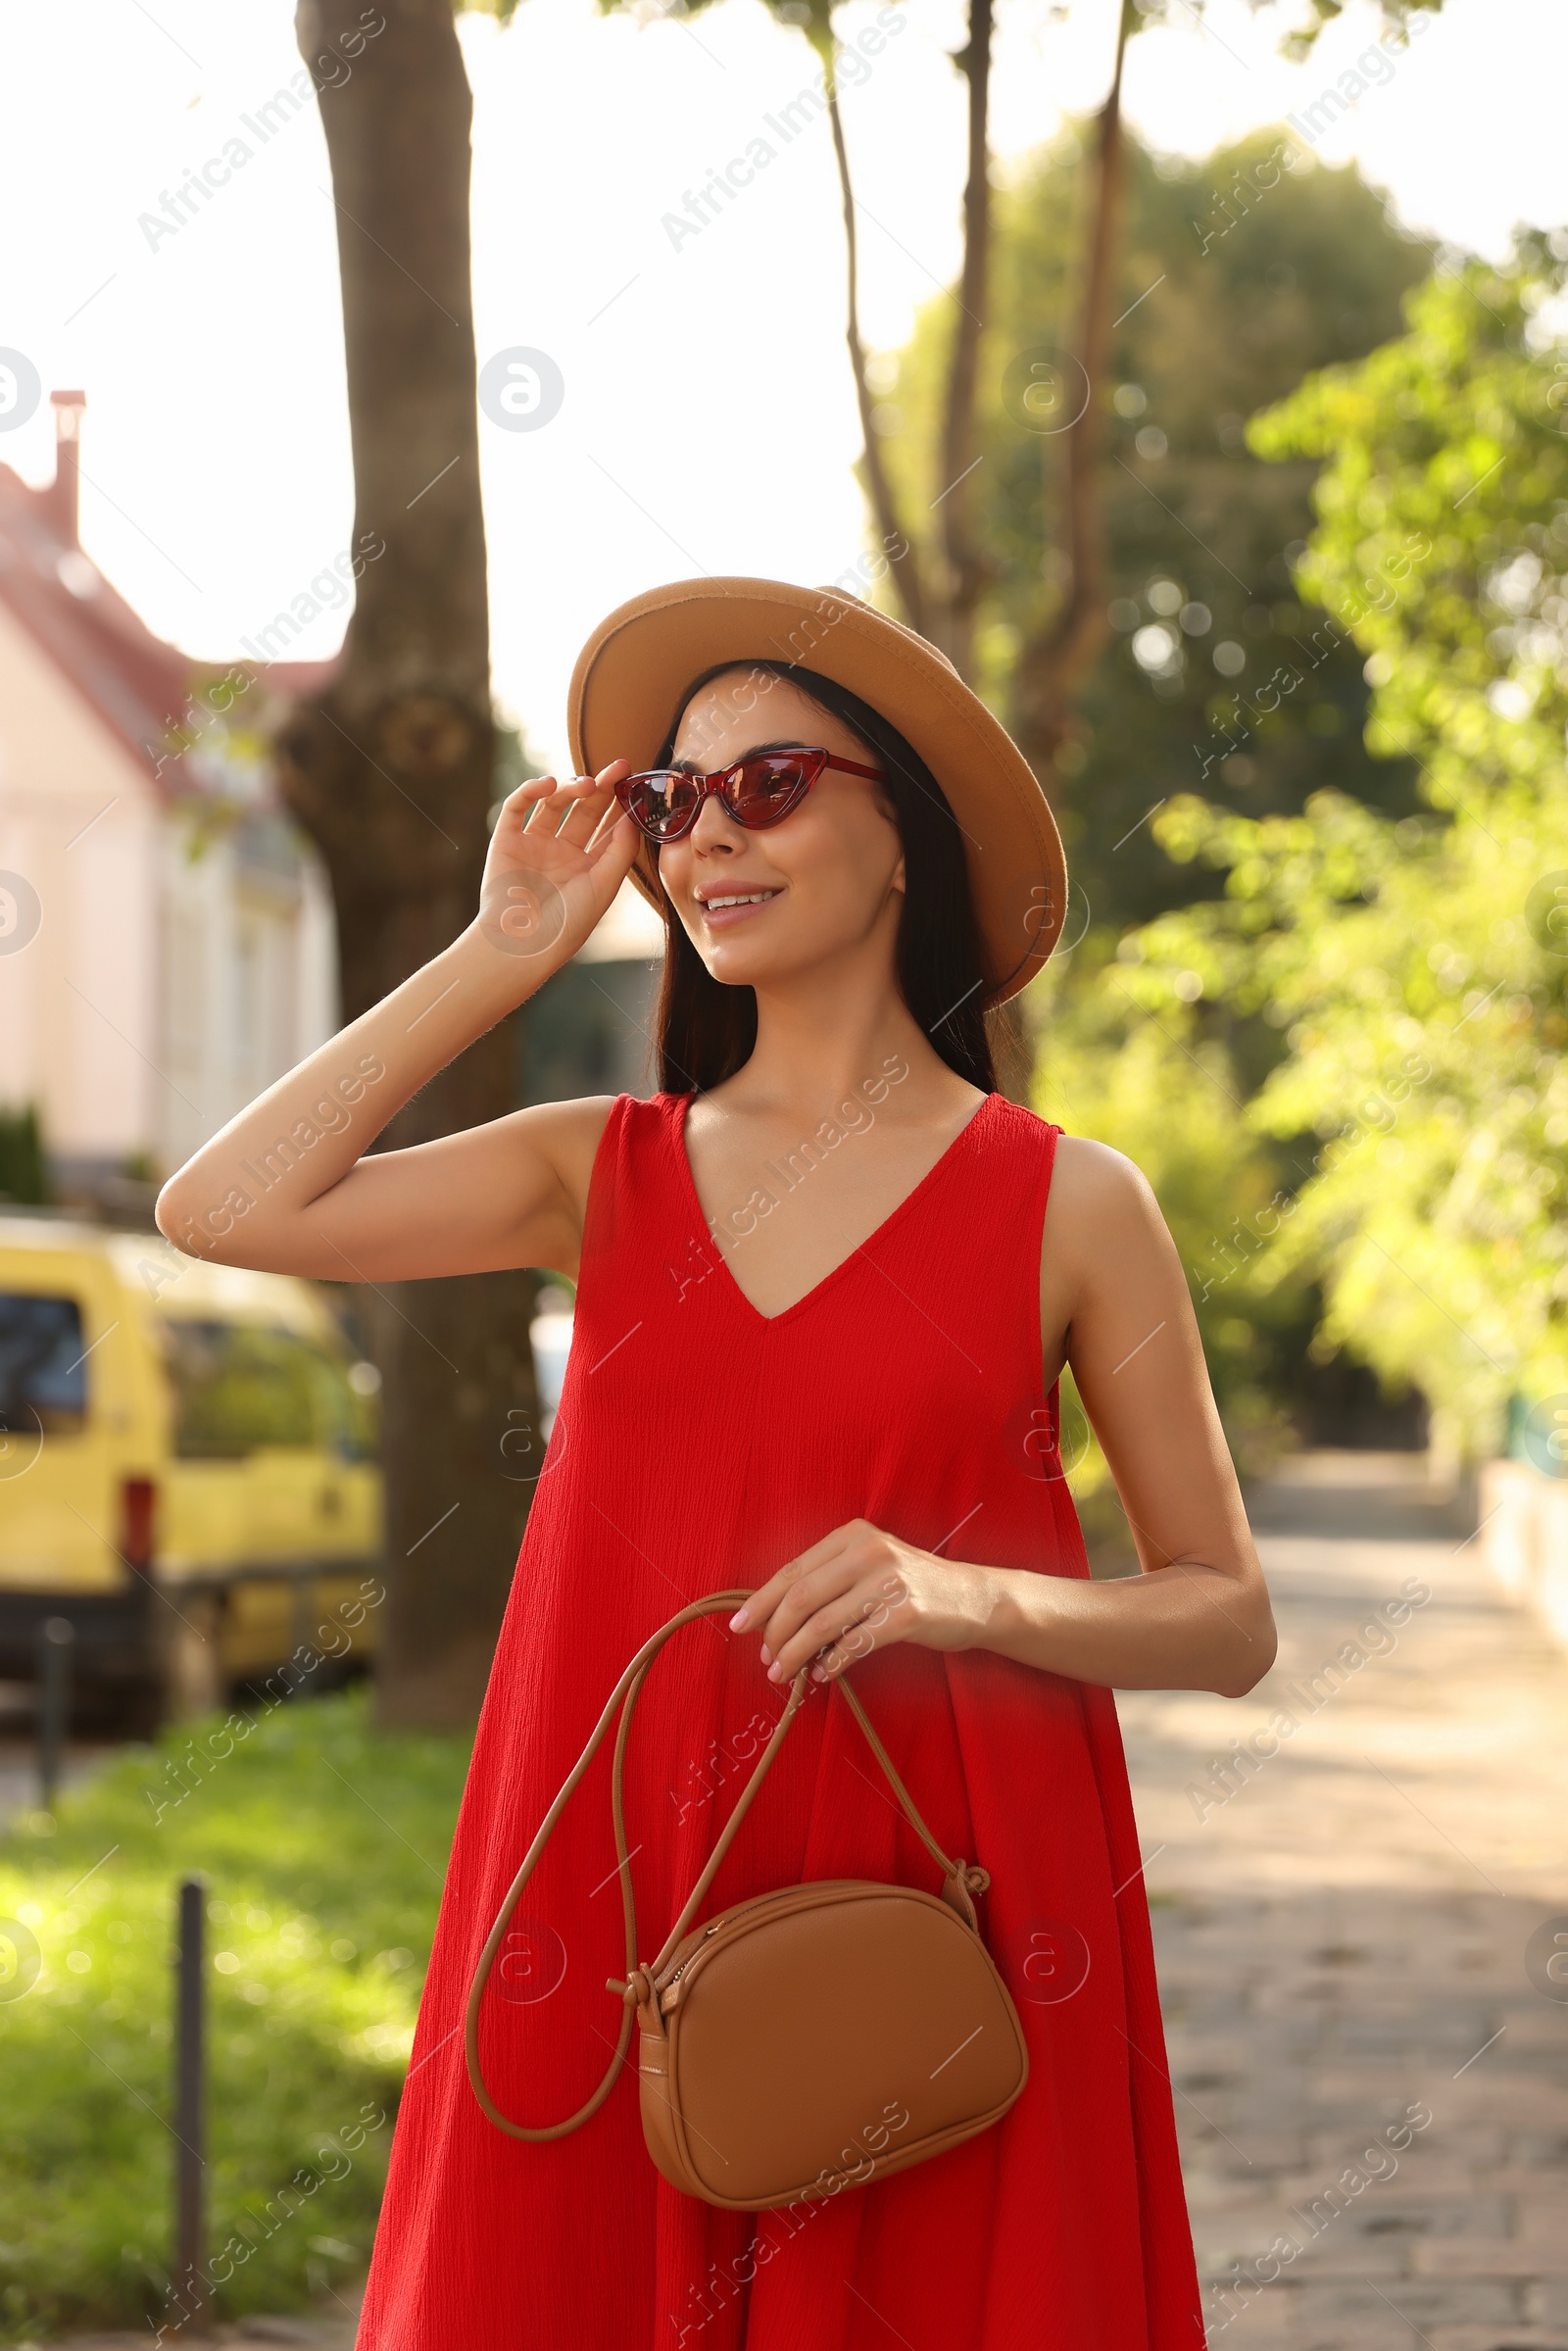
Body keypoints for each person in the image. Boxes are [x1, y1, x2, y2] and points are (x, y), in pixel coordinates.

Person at [157, 575, 1275, 2350]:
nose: (705, 840)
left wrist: (959, 1589)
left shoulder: (1073, 1202)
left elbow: (1228, 1621)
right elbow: (219, 1209)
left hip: (951, 1905)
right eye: (675, 801)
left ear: (902, 835)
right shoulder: (592, 1171)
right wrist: (504, 952)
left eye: (770, 785)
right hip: (607, 1884)